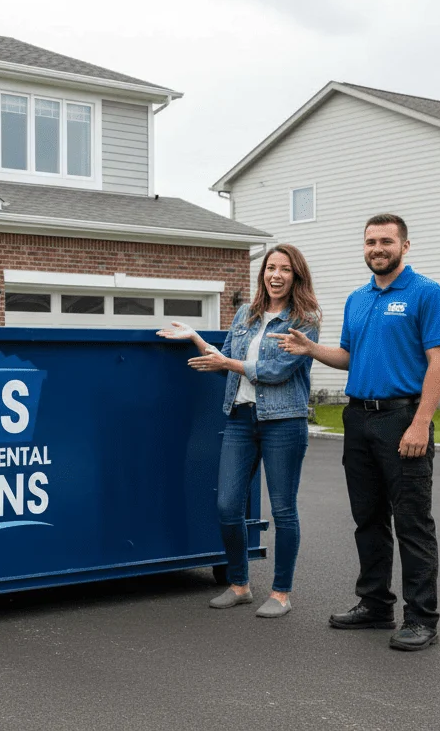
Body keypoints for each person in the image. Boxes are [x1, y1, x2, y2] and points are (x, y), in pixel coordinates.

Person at [271, 214, 440, 651]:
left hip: (402, 418)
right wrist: (312, 349)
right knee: (368, 518)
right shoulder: (357, 299)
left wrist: (421, 423)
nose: (377, 248)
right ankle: (374, 605)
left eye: (386, 241)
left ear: (404, 246)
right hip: (359, 419)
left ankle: (421, 618)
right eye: (371, 241)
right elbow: (350, 357)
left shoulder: (427, 294)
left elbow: (439, 362)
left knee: (411, 522)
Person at [158, 243, 319, 618]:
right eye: (270, 268)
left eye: (284, 269)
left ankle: (281, 593)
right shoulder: (247, 313)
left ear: (296, 275)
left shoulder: (304, 319)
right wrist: (197, 338)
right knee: (227, 505)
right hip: (241, 418)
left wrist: (227, 361)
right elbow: (227, 354)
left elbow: (275, 370)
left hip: (284, 421)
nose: (275, 275)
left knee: (283, 510)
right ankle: (240, 584)